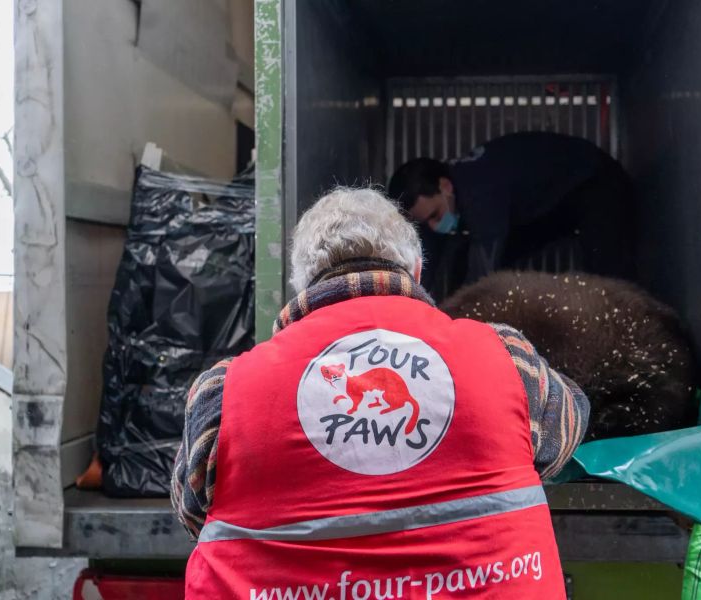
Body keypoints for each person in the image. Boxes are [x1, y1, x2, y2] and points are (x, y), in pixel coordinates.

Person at [172, 187, 590, 598]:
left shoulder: (223, 392)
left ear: (299, 285)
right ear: (417, 270)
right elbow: (566, 426)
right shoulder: (506, 357)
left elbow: (190, 510)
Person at [388, 131, 634, 299]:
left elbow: (481, 274)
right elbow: (429, 257)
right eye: (425, 222)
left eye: (435, 215)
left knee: (608, 276)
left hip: (595, 182)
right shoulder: (446, 195)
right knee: (467, 256)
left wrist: (458, 323)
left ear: (446, 187)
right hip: (553, 201)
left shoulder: (480, 191)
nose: (434, 226)